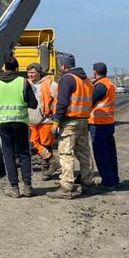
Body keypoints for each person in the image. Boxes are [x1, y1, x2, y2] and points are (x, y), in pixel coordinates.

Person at [0, 55, 39, 198]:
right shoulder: (23, 82)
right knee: (24, 154)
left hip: (3, 124)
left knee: (8, 155)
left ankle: (14, 188)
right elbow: (34, 104)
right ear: (16, 68)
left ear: (4, 67)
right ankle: (28, 187)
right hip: (21, 123)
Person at [47, 54, 95, 199]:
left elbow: (62, 102)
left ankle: (66, 187)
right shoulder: (86, 80)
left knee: (66, 154)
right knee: (84, 153)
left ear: (63, 66)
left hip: (69, 122)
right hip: (83, 120)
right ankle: (88, 183)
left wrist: (56, 120)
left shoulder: (67, 79)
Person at [89, 62, 120, 191]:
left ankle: (107, 182)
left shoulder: (100, 86)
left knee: (101, 153)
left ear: (95, 72)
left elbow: (90, 100)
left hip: (98, 123)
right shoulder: (109, 83)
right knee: (110, 152)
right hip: (108, 122)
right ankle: (113, 179)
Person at [26, 63, 59, 181]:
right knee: (34, 143)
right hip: (31, 119)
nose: (30, 75)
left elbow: (58, 99)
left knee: (46, 144)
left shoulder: (50, 84)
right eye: (29, 72)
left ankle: (46, 170)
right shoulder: (26, 84)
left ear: (40, 73)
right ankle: (52, 161)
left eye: (33, 72)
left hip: (46, 119)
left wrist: (55, 116)